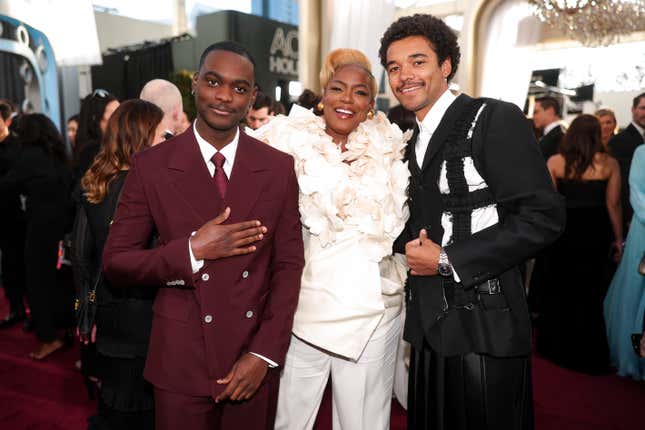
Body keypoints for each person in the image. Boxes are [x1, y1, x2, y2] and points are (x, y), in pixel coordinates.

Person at [101, 41, 304, 430]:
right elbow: (117, 261)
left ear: (252, 98)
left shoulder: (277, 168)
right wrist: (192, 250)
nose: (225, 96)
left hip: (252, 356)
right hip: (181, 358)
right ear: (195, 85)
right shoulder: (153, 166)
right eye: (213, 82)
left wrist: (263, 354)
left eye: (239, 88)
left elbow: (289, 266)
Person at [379, 14, 565, 429]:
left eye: (418, 62)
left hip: (487, 322)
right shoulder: (409, 139)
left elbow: (543, 217)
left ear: (446, 65)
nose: (404, 75)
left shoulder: (492, 118)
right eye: (394, 67)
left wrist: (448, 260)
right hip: (429, 324)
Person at [252, 48, 409, 430]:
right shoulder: (283, 140)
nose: (346, 99)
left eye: (359, 93)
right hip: (301, 306)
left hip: (373, 309)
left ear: (371, 104)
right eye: (338, 88)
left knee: (365, 420)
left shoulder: (390, 148)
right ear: (323, 95)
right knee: (289, 416)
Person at [73, 99, 165, 430]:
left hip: (110, 312)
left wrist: (87, 312)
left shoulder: (95, 185)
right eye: (160, 134)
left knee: (115, 404)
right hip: (150, 314)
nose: (167, 140)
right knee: (147, 409)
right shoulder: (152, 189)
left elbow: (83, 257)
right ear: (142, 137)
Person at [535, 114, 621, 374]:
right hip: (595, 232)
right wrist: (619, 238)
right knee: (590, 292)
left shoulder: (556, 162)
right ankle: (588, 351)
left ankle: (554, 346)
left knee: (560, 288)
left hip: (564, 231)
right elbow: (613, 204)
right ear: (597, 134)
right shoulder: (610, 164)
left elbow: (549, 203)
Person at [0, 113, 74, 359]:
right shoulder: (59, 153)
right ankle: (64, 326)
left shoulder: (29, 156)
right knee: (59, 280)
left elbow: (7, 186)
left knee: (38, 282)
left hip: (40, 229)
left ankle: (48, 338)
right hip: (63, 228)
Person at [604, 144, 645, 380]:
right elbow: (637, 193)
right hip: (643, 230)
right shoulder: (641, 152)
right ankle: (633, 355)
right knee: (636, 290)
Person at [0, 100, 27, 328]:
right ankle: (15, 308)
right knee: (6, 268)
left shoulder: (17, 147)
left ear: (6, 120)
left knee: (15, 263)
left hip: (15, 215)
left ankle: (24, 310)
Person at [608, 92, 645, 234]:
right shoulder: (618, 142)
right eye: (643, 108)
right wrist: (627, 218)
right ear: (633, 109)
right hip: (632, 218)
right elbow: (620, 186)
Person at [74, 90, 120, 183]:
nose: (121, 121)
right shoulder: (90, 154)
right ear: (95, 120)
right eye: (114, 116)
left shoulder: (124, 147)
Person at [533, 95, 565, 161]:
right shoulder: (556, 136)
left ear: (550, 111)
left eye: (536, 112)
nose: (533, 117)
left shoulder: (558, 138)